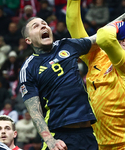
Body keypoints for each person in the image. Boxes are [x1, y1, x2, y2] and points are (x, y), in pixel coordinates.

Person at [66, 0, 125, 149]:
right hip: (101, 144)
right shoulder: (99, 56)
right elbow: (73, 26)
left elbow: (105, 38)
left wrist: (119, 23)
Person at [19, 16, 99, 150]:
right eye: (36, 26)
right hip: (61, 137)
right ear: (28, 40)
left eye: (44, 24)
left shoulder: (66, 45)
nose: (43, 26)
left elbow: (100, 37)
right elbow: (35, 112)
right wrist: (50, 140)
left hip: (88, 133)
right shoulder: (28, 68)